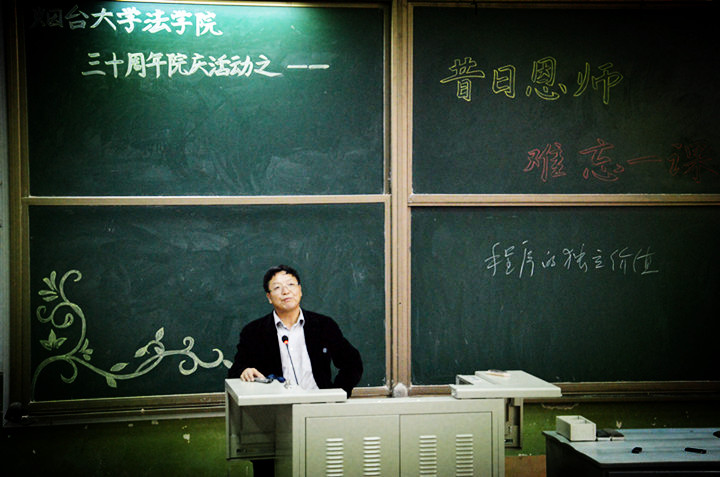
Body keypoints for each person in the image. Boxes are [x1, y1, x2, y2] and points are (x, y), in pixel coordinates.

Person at [228, 264, 363, 398]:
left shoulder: (323, 325)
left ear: (300, 290)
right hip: (276, 404)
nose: (286, 291)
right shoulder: (254, 331)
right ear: (269, 297)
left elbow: (352, 362)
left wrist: (336, 395)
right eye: (277, 287)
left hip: (319, 403)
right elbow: (236, 370)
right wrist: (244, 371)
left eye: (291, 284)